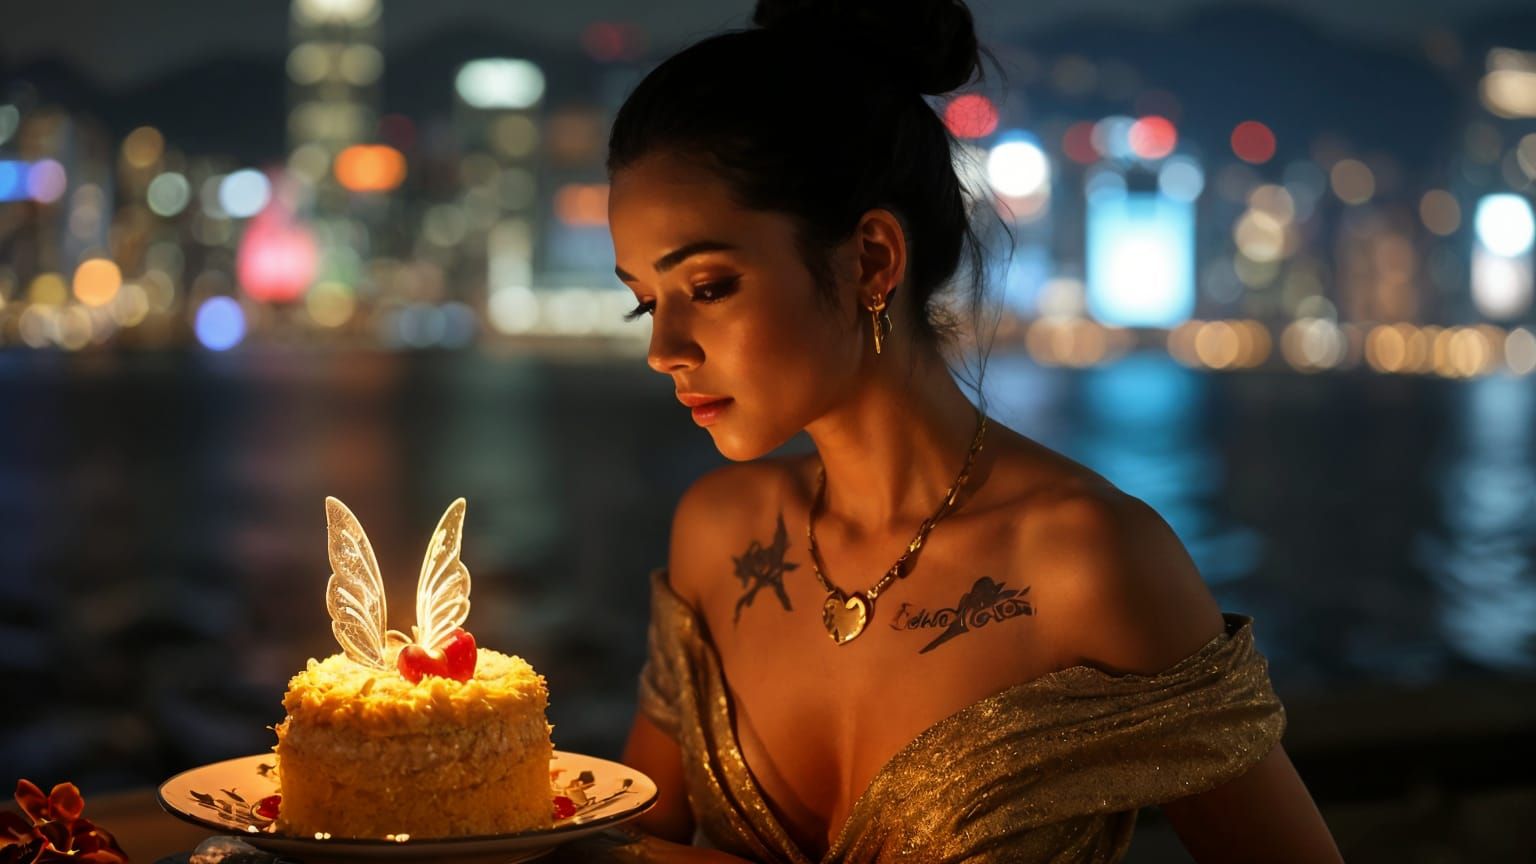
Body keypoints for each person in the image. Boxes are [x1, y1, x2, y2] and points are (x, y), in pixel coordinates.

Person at [595, 1, 1346, 861]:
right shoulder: (717, 533)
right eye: (645, 302)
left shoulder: (1087, 561)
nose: (663, 349)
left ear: (872, 259)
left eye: (711, 286)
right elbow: (628, 841)